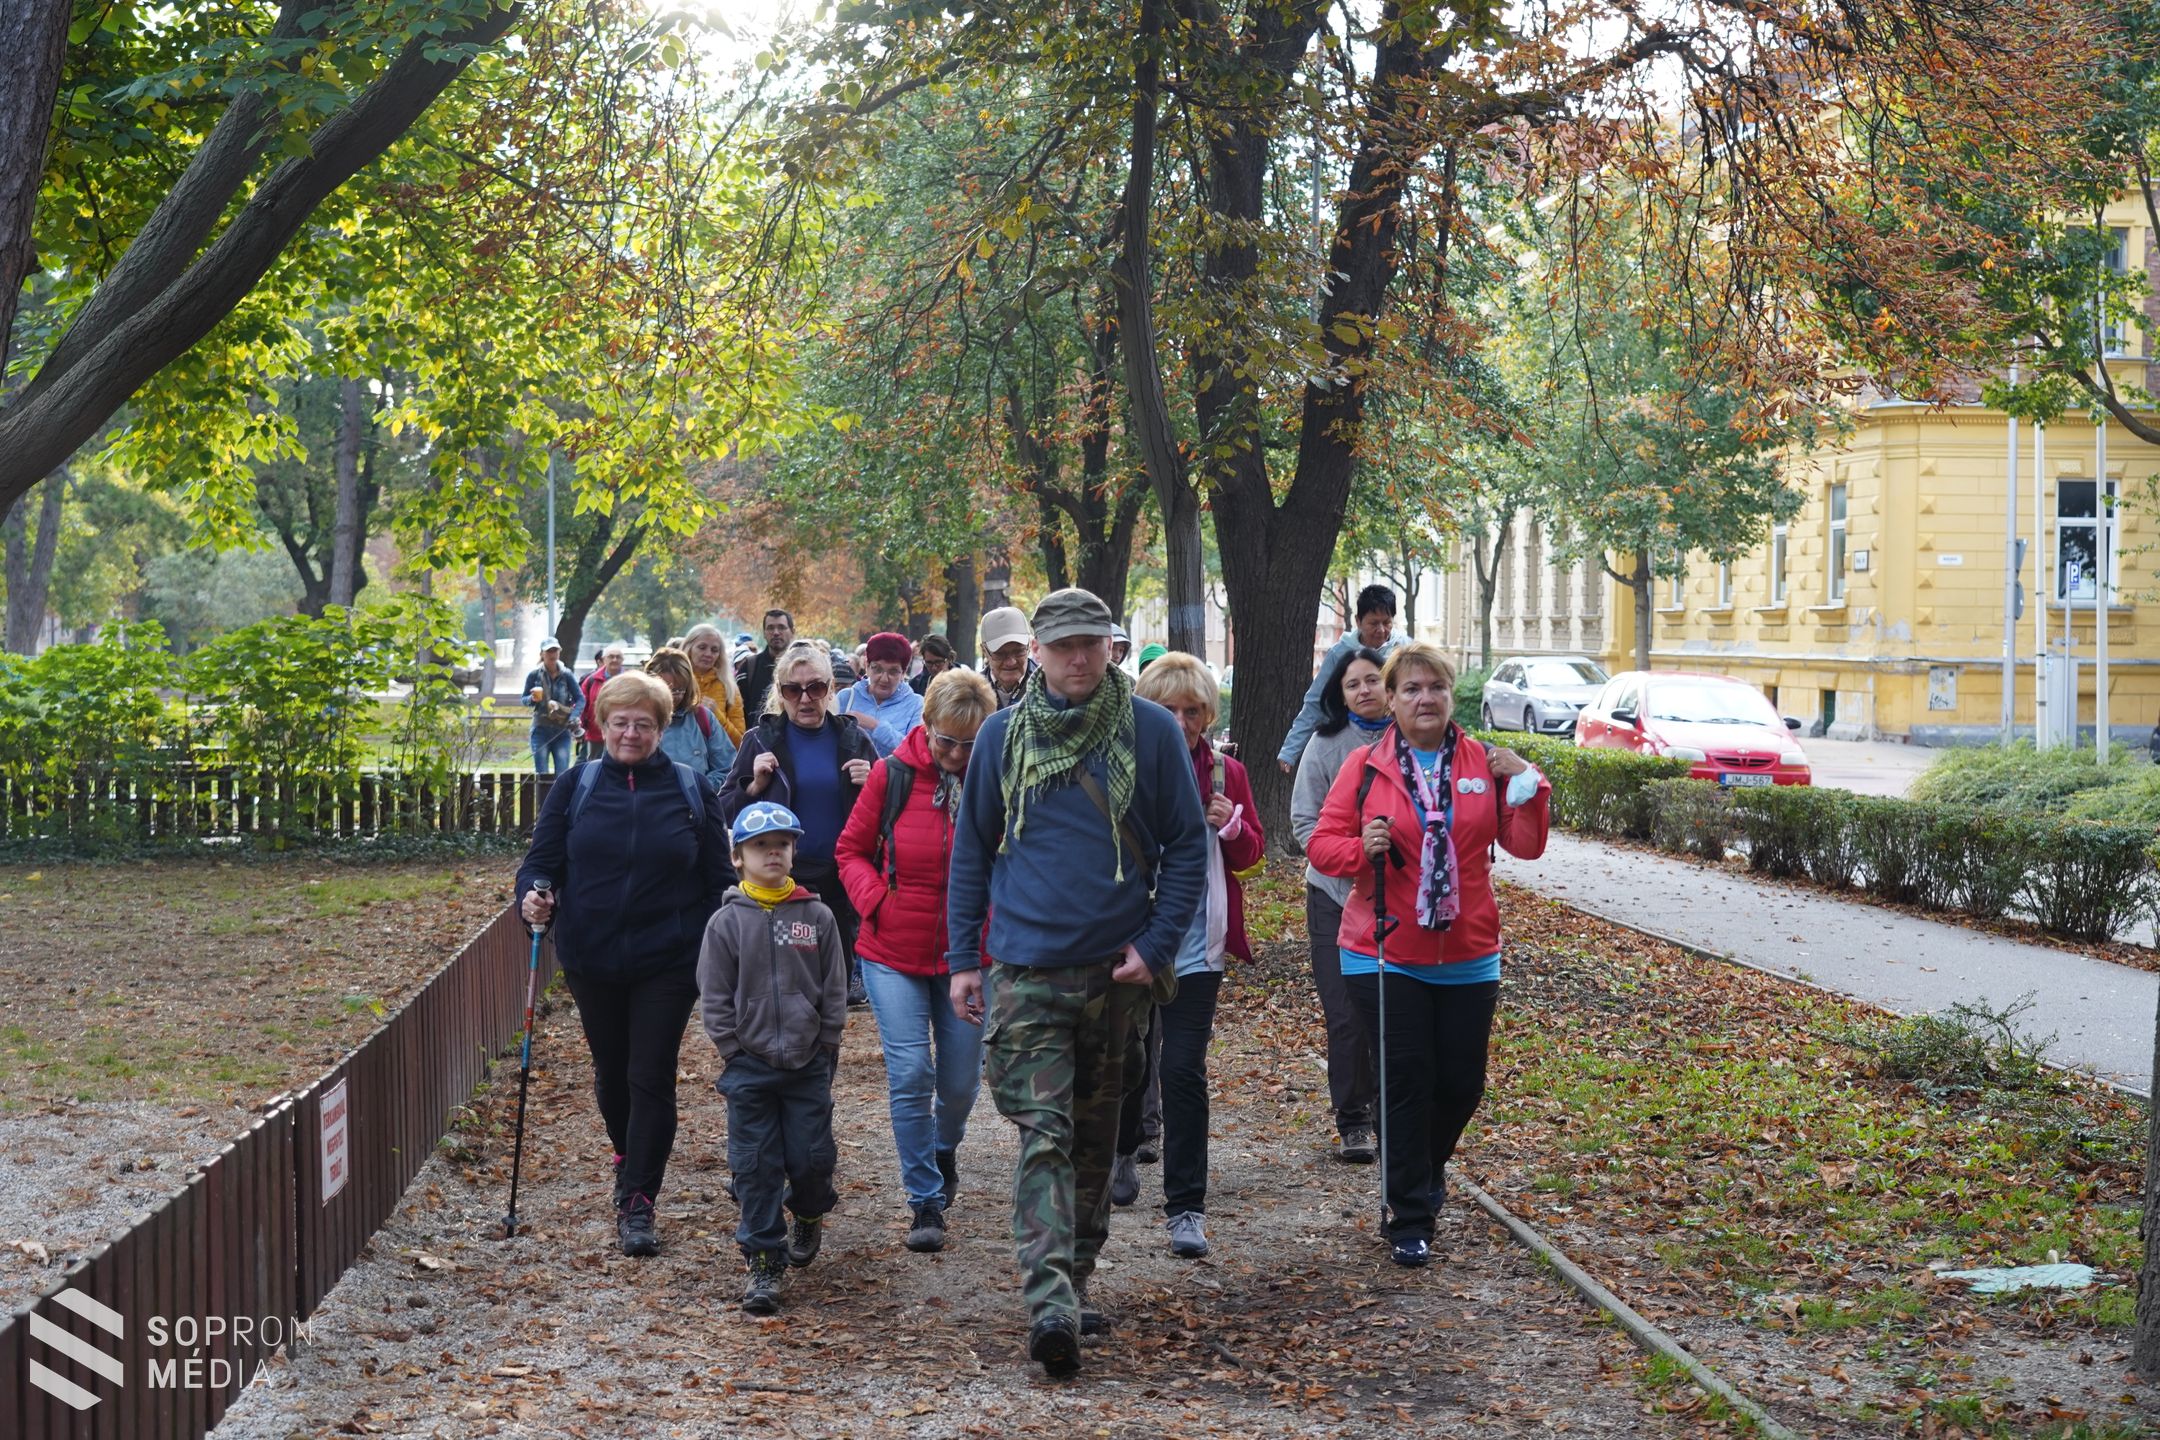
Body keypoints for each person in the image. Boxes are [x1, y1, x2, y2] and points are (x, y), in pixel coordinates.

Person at [945, 587, 1209, 1378]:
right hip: (1026, 971)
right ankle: (1050, 1298)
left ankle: (1075, 1276)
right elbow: (973, 851)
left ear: (1111, 648)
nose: (1078, 659)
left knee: (1095, 1144)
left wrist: (1157, 945)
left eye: (1092, 643)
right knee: (1045, 1134)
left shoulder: (1151, 733)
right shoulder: (1000, 736)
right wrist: (964, 959)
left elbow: (1188, 849)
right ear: (1039, 653)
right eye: (1063, 647)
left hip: (1116, 975)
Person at [1306, 643, 1550, 1268]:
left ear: (1451, 696)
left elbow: (1525, 846)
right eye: (1410, 689)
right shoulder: (1364, 767)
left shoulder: (1482, 764)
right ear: (1390, 701)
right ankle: (1408, 1212)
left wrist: (1528, 782)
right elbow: (1323, 846)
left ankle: (1420, 1171)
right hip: (1383, 950)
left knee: (1461, 1084)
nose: (1424, 699)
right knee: (1406, 1080)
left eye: (1435, 687)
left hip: (1468, 950)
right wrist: (1363, 847)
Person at [516, 670, 736, 1256]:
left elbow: (719, 878)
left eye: (644, 723)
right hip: (591, 953)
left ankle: (638, 1198)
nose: (631, 733)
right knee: (612, 1074)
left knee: (650, 1073)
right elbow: (541, 863)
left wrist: (730, 943)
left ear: (662, 728)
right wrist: (534, 895)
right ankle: (626, 1152)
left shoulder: (692, 790)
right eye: (620, 723)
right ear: (602, 726)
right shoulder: (576, 786)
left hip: (669, 958)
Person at [835, 669, 998, 1254]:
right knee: (910, 1074)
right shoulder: (892, 775)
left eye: (968, 743)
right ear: (925, 727)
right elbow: (849, 851)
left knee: (958, 1083)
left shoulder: (994, 782)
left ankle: (943, 1148)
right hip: (892, 952)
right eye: (945, 739)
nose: (954, 754)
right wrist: (878, 901)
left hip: (969, 958)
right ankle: (924, 1199)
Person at [1108, 653, 1264, 1260]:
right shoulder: (1126, 768)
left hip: (1199, 945)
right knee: (1125, 1063)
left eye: (1192, 710)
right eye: (1167, 709)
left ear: (1207, 714)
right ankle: (1122, 1149)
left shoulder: (1226, 775)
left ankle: (1186, 1208)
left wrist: (1231, 827)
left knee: (1182, 1070)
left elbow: (1252, 857)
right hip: (1130, 940)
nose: (1180, 721)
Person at [699, 800, 847, 1315]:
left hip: (808, 1062)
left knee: (811, 1158)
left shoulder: (817, 916)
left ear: (794, 851)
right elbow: (714, 995)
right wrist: (731, 1049)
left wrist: (828, 1042)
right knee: (755, 1164)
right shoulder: (725, 923)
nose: (773, 854)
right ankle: (763, 1258)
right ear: (738, 856)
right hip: (749, 1065)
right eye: (761, 846)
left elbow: (833, 985)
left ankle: (807, 1211)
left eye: (782, 845)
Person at [721, 641, 879, 1009]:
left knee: (832, 989)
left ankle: (822, 1063)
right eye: (794, 689)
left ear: (831, 689)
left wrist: (873, 784)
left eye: (816, 687)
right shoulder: (760, 740)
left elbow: (888, 813)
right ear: (781, 693)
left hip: (841, 882)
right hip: (780, 883)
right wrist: (754, 786)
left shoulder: (854, 739)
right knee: (783, 986)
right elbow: (724, 810)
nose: (805, 698)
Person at [1289, 646, 1389, 1165]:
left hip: (1398, 901)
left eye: (1373, 680)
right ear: (1340, 693)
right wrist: (1355, 858)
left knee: (1393, 1009)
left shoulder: (1412, 742)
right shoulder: (1325, 745)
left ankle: (1391, 1111)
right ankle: (1354, 1121)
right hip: (1332, 897)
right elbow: (1304, 824)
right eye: (1354, 684)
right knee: (1346, 1012)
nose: (1365, 690)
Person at [1277, 585, 1403, 774]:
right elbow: (1315, 703)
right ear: (1358, 621)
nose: (1381, 630)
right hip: (1351, 740)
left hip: (1393, 739)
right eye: (1373, 623)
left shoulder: (1404, 651)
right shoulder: (1339, 653)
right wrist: (1290, 750)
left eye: (1387, 623)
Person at [645, 648, 735, 791]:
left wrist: (695, 790)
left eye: (679, 690)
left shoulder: (702, 718)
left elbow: (727, 768)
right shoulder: (634, 721)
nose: (672, 697)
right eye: (665, 690)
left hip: (695, 807)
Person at [836, 632, 925, 757]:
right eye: (877, 669)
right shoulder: (846, 698)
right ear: (867, 666)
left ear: (903, 672)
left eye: (893, 672)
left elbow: (916, 752)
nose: (884, 679)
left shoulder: (916, 704)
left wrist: (874, 725)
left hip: (894, 776)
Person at [523, 637, 581, 775]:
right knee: (541, 774)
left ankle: (560, 797)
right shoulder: (534, 675)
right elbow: (524, 699)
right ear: (542, 654)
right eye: (549, 651)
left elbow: (580, 699)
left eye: (555, 650)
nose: (552, 654)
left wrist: (573, 717)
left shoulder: (567, 675)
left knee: (562, 774)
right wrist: (531, 699)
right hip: (540, 729)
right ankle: (543, 797)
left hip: (562, 731)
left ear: (559, 653)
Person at [684, 623, 749, 746]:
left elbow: (740, 743)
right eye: (702, 647)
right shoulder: (675, 684)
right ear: (689, 648)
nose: (708, 654)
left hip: (719, 763)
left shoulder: (729, 688)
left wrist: (716, 716)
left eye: (714, 650)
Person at [741, 610, 796, 718]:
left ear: (792, 632)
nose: (776, 632)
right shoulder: (749, 667)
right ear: (764, 633)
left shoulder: (804, 667)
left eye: (781, 627)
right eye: (770, 628)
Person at [578, 644, 627, 761]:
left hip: (623, 733)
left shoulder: (630, 680)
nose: (614, 660)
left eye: (618, 657)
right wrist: (580, 726)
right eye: (611, 656)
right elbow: (582, 703)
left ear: (622, 660)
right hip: (596, 733)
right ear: (604, 659)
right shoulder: (591, 680)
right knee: (594, 764)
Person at [979, 606, 1034, 709]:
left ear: (1029, 646)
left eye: (1019, 651)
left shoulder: (1049, 687)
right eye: (1000, 654)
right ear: (984, 651)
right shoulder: (971, 693)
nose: (1011, 662)